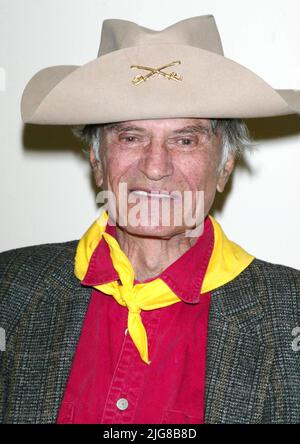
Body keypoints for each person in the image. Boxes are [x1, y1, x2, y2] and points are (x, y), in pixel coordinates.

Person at [1, 15, 300, 424]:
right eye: (130, 137)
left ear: (226, 165)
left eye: (185, 139)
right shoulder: (8, 289)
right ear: (97, 161)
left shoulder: (291, 314)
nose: (156, 166)